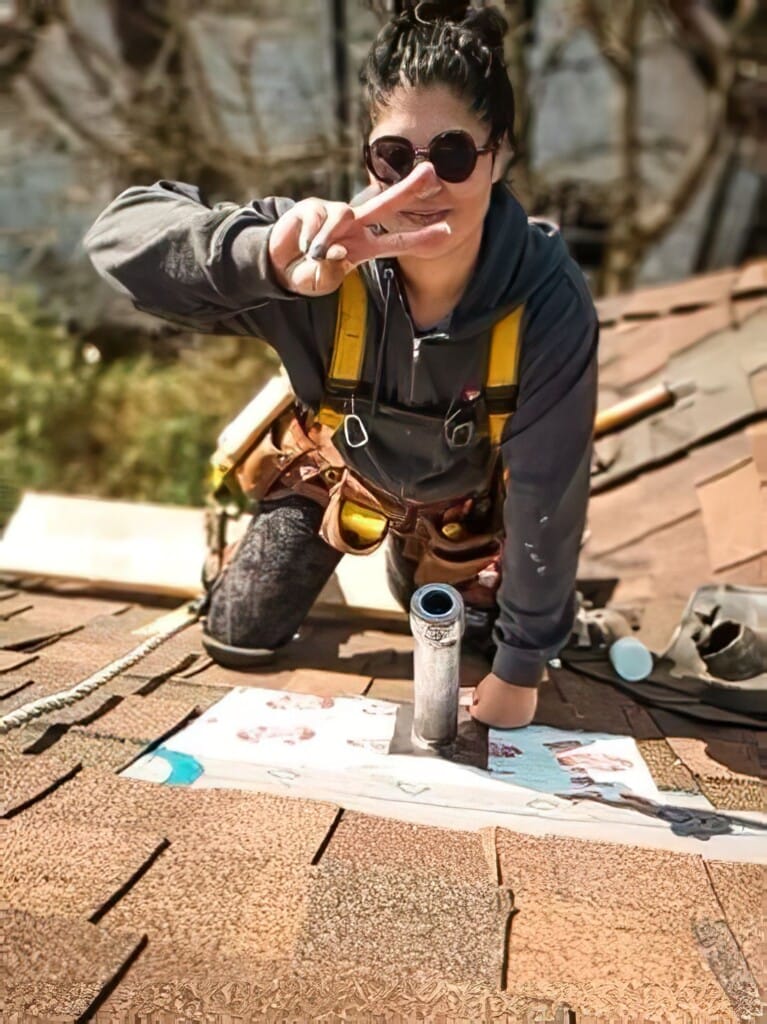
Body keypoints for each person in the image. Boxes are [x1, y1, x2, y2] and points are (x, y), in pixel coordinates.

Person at [84, 0, 598, 729]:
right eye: (395, 157)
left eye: (452, 154)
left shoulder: (547, 296)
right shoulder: (318, 250)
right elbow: (118, 240)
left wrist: (520, 671)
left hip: (460, 515)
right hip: (335, 481)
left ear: (500, 154)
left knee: (471, 639)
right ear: (366, 159)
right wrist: (263, 257)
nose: (422, 185)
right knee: (239, 638)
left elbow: (550, 491)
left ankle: (415, 567)